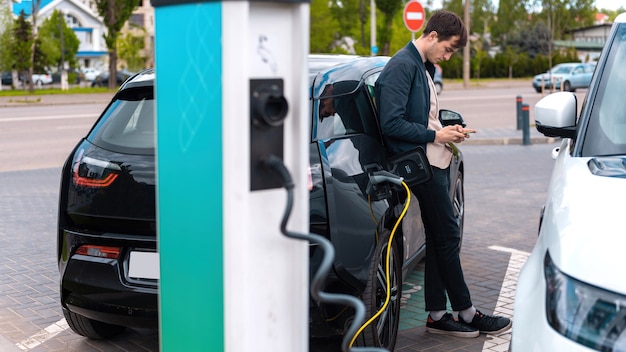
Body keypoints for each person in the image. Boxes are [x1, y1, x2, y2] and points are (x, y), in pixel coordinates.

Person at [374, 10, 512, 338]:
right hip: (420, 166)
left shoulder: (418, 65)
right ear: (433, 36)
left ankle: (438, 314)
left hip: (430, 161)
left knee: (440, 238)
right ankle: (466, 312)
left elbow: (421, 119)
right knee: (448, 236)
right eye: (448, 49)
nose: (448, 57)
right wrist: (437, 136)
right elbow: (390, 123)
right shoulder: (403, 66)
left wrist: (448, 130)